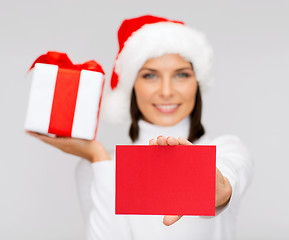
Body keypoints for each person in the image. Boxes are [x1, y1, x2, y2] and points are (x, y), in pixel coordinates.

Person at [27, 15, 253, 240]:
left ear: (197, 83)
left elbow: (227, 176)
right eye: (150, 75)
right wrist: (99, 158)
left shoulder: (224, 149)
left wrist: (219, 189)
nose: (166, 91)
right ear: (132, 86)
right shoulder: (99, 167)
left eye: (181, 74)